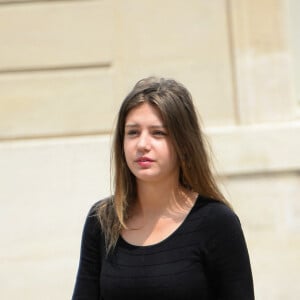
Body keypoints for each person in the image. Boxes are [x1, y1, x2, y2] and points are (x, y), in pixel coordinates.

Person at [72, 77, 255, 299]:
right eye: (133, 132)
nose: (142, 145)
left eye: (158, 133)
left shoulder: (217, 222)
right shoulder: (101, 220)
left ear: (184, 144)